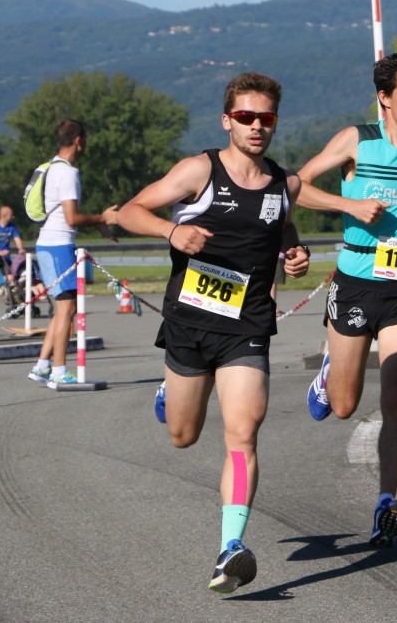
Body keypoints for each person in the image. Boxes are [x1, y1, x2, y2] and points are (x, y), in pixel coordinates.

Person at [117, 72, 310, 594]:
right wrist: (171, 230)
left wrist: (294, 253)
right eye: (245, 116)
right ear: (227, 120)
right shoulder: (200, 171)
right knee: (183, 436)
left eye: (266, 117)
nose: (256, 126)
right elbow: (129, 211)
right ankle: (171, 388)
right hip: (190, 323)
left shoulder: (285, 184)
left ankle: (231, 548)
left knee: (243, 434)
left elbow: (281, 226)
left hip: (246, 326)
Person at [299, 53, 397, 549]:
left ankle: (386, 501)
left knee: (395, 395)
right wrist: (348, 204)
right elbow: (294, 185)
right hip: (357, 282)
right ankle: (330, 371)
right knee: (344, 406)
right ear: (384, 98)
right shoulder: (356, 141)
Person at [26, 120, 118, 387]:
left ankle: (43, 365)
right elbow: (72, 218)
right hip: (58, 246)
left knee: (64, 308)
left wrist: (98, 223)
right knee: (67, 309)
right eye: (85, 140)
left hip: (50, 244)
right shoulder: (67, 173)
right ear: (78, 140)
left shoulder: (53, 167)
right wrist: (103, 217)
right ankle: (58, 370)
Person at [0, 205, 26, 287]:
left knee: (11, 278)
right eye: (11, 215)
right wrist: (0, 252)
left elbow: (17, 239)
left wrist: (21, 249)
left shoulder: (12, 227)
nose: (13, 217)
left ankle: (7, 291)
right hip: (0, 254)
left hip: (5, 258)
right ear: (4, 216)